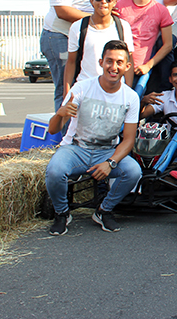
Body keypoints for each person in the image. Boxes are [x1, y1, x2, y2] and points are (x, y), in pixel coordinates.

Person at [45, 40, 142, 235]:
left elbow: (129, 140)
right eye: (109, 61)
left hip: (106, 151)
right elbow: (53, 130)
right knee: (55, 171)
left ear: (127, 66)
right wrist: (60, 113)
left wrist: (110, 162)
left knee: (133, 172)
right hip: (76, 149)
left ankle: (104, 210)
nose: (113, 67)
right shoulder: (81, 88)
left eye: (119, 62)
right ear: (100, 62)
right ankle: (62, 213)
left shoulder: (131, 97)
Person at [41, 0, 102, 111]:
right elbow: (63, 11)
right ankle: (64, 136)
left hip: (80, 39)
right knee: (65, 89)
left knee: (82, 86)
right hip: (59, 37)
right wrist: (96, 18)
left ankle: (77, 134)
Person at [63, 0, 135, 96]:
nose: (103, 2)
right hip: (85, 90)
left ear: (115, 2)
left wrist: (128, 90)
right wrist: (67, 94)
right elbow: (71, 62)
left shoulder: (123, 26)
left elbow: (129, 60)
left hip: (114, 90)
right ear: (92, 1)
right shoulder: (78, 27)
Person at [115, 0, 174, 89]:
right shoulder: (118, 6)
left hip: (139, 69)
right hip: (116, 67)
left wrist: (148, 65)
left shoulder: (161, 10)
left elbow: (168, 44)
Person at [140, 58, 177, 164]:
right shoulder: (164, 96)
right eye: (175, 75)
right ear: (170, 79)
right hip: (171, 142)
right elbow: (141, 115)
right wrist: (143, 101)